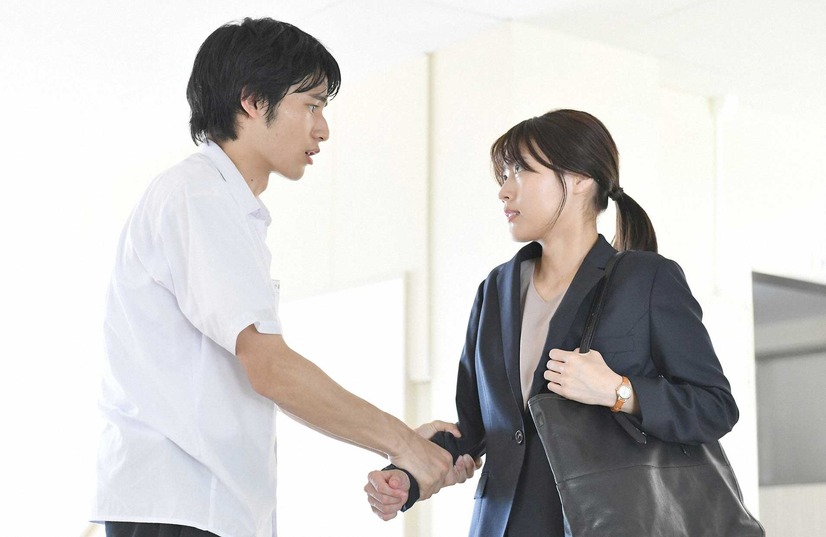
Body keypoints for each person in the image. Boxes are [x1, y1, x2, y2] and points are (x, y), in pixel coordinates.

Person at [92, 17, 466, 537]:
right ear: (252, 101)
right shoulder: (197, 195)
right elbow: (270, 368)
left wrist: (407, 445)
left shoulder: (225, 206)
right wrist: (404, 444)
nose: (323, 128)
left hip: (205, 505)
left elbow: (264, 378)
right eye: (311, 105)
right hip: (180, 505)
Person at [364, 109, 740, 536]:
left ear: (580, 178)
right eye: (504, 175)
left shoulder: (646, 279)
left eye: (520, 171)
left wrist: (619, 392)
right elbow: (480, 428)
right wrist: (409, 476)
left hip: (602, 524)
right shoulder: (495, 290)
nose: (504, 190)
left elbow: (715, 407)